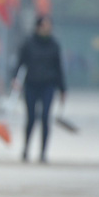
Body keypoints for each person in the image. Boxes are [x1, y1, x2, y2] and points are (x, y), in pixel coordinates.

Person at [13, 15, 67, 163]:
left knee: (45, 117)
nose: (48, 28)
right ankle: (25, 149)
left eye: (49, 25)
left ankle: (43, 153)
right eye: (45, 25)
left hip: (48, 86)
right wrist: (15, 79)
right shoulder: (28, 43)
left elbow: (59, 69)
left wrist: (63, 89)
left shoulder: (54, 45)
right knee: (31, 118)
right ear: (38, 27)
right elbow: (20, 62)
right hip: (31, 84)